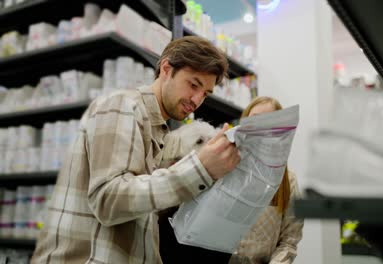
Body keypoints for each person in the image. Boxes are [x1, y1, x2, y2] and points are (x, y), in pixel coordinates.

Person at [31, 36, 240, 263]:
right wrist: (200, 169)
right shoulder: (124, 106)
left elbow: (138, 213)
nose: (197, 100)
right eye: (193, 84)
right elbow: (109, 199)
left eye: (205, 94)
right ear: (166, 69)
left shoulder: (158, 131)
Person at [230, 96, 304, 264]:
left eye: (268, 122)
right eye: (254, 119)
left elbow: (289, 242)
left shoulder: (288, 182)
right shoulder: (224, 169)